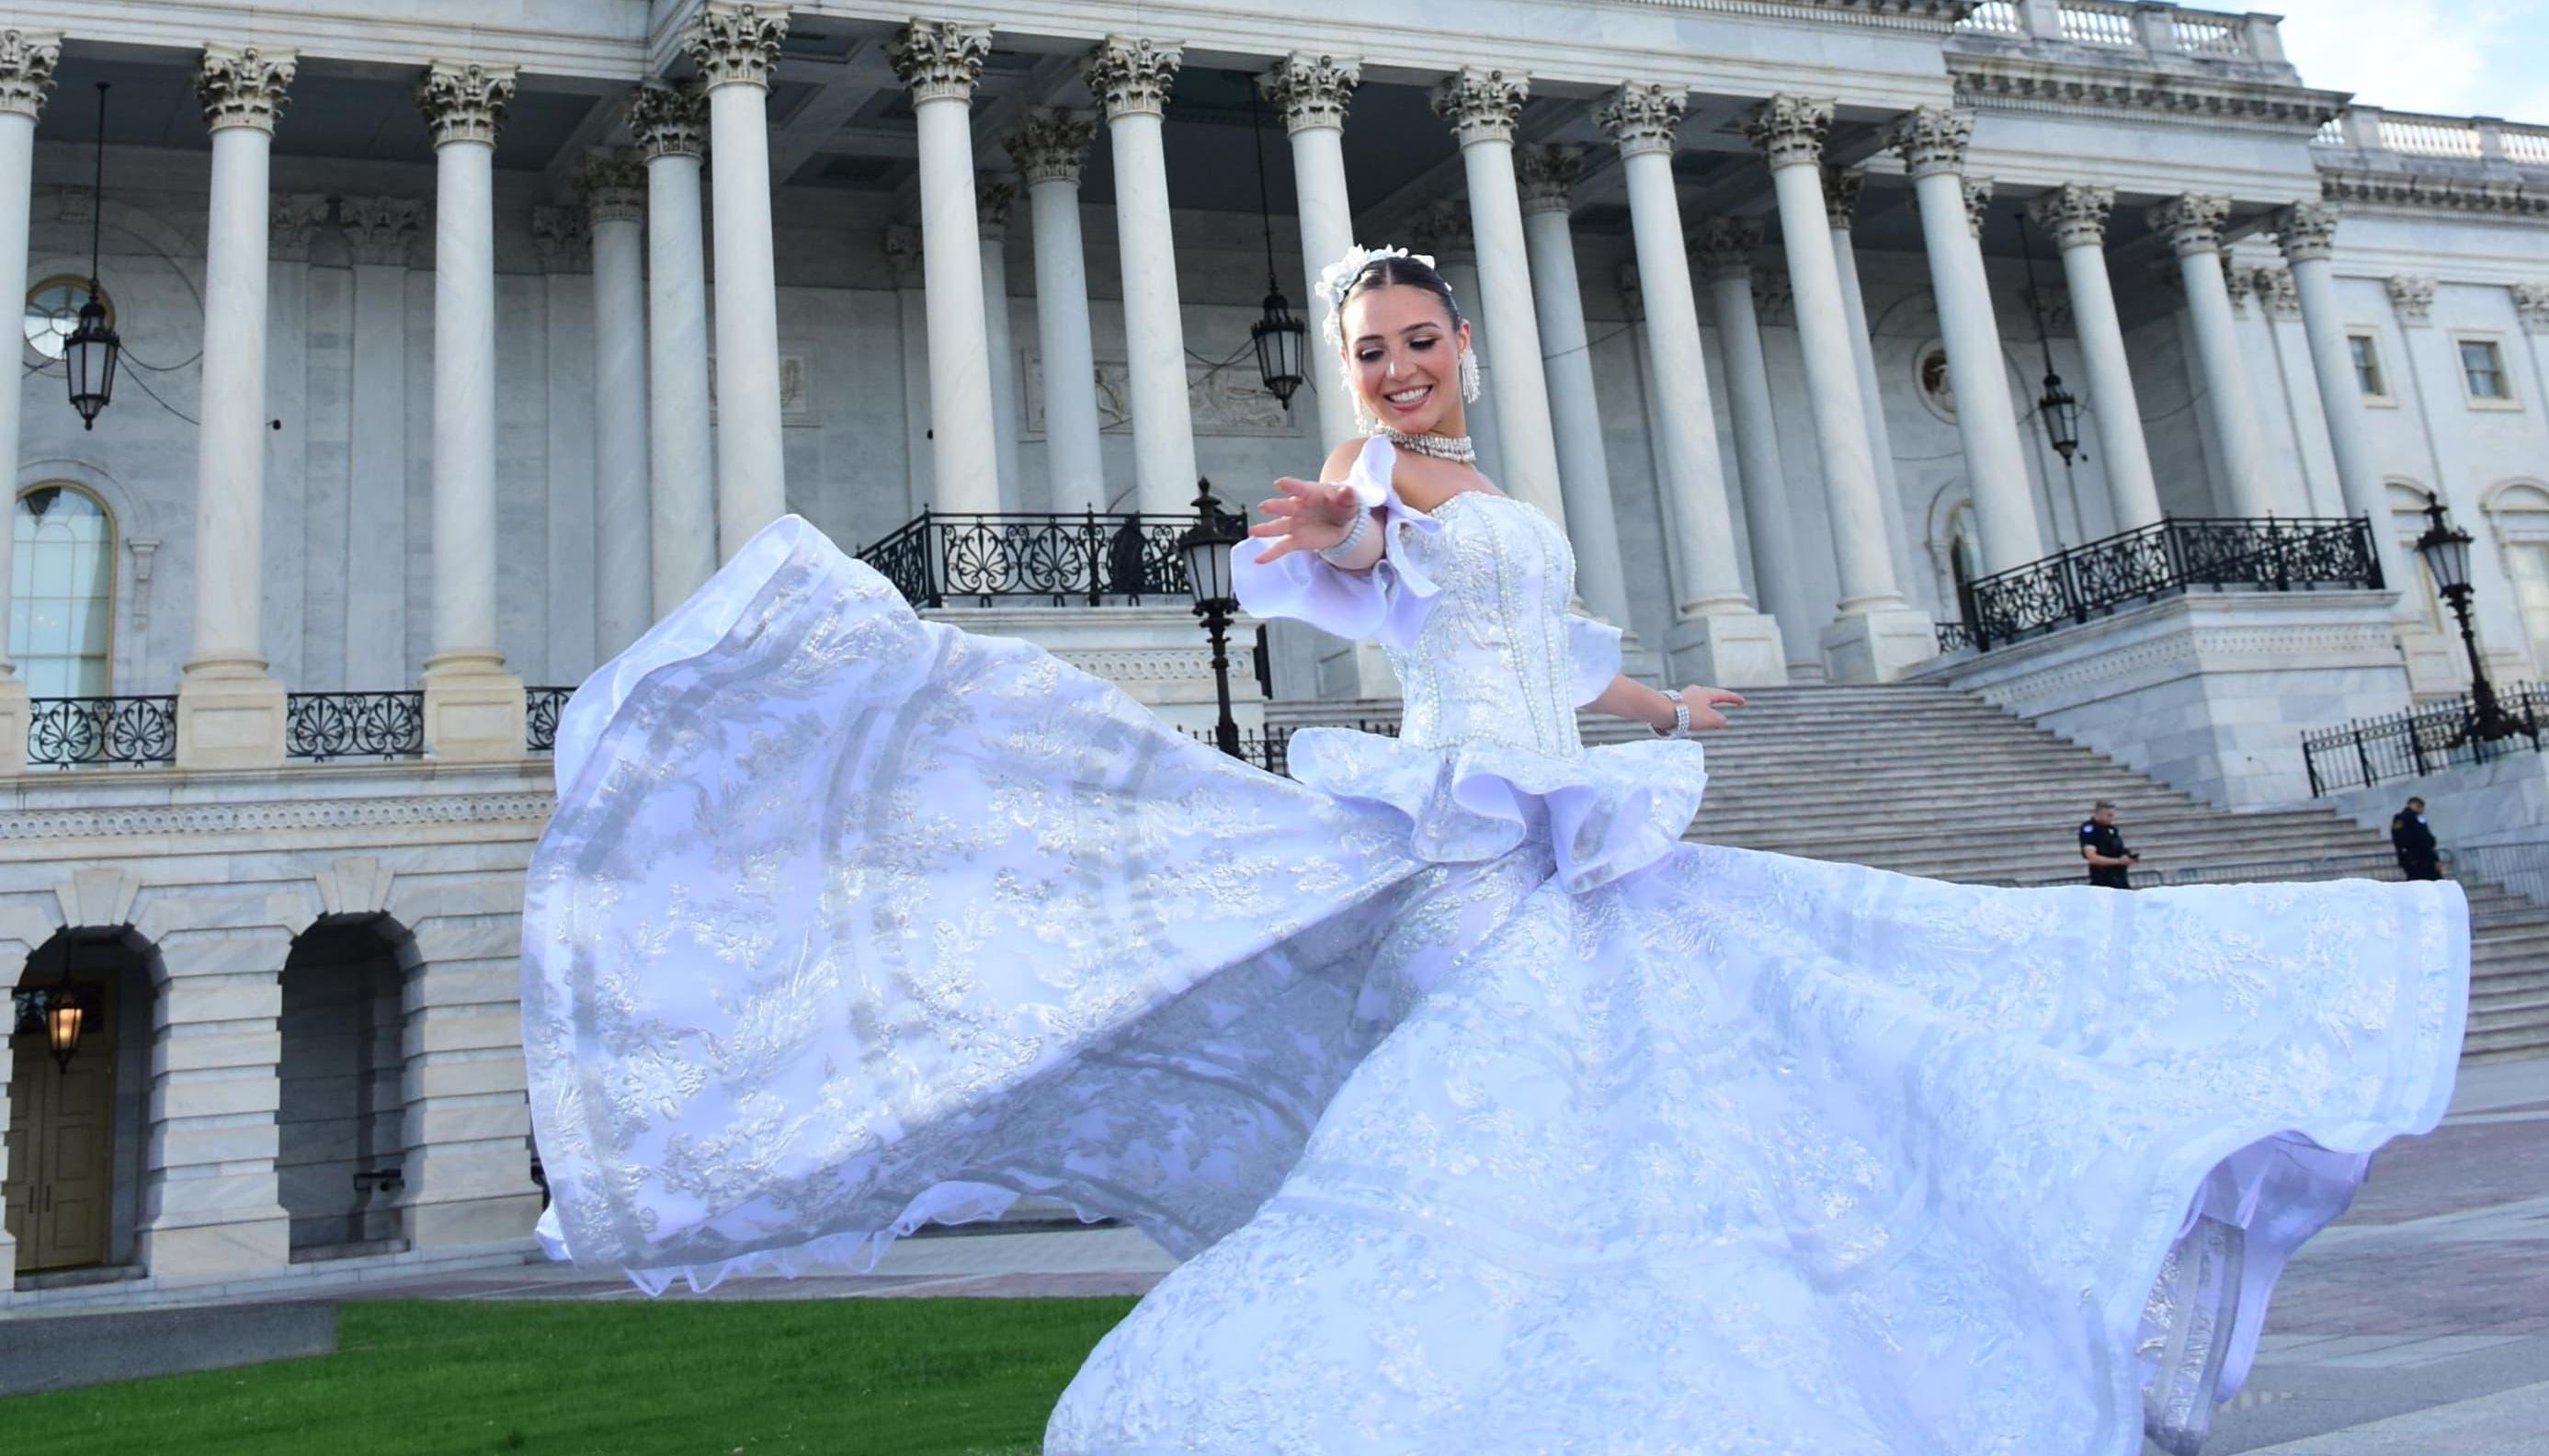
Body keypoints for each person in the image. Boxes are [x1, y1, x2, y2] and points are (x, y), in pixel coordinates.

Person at [521, 245, 2471, 1456]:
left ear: (1461, 342)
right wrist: (1340, 528)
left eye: (1414, 338)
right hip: (1470, 853)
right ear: (1349, 371)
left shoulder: (1492, 487)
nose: (1392, 365)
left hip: (1579, 832)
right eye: (1367, 347)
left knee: (1692, 1118)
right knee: (1525, 1148)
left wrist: (1671, 713)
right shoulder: (1375, 488)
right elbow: (1367, 577)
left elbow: (1549, 644)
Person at [2080, 799, 2141, 889]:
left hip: (2119, 878)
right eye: (2109, 815)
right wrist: (2118, 861)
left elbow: (2118, 848)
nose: (2111, 818)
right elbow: (2092, 857)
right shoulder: (2090, 829)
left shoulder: (2112, 829)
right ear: (2098, 813)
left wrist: (2127, 857)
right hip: (2103, 879)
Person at [2393, 796, 2442, 881]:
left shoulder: (2400, 818)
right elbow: (2423, 839)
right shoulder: (2414, 818)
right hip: (2422, 858)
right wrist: (2434, 858)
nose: (2422, 811)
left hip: (2409, 858)